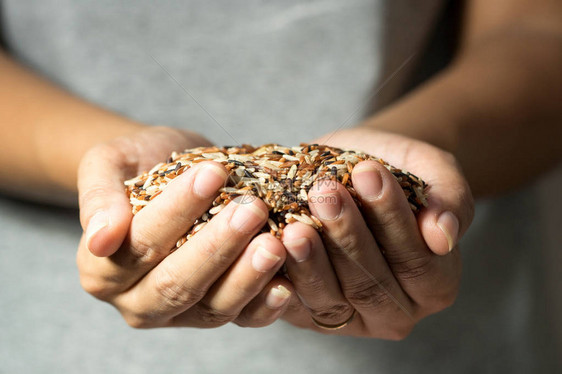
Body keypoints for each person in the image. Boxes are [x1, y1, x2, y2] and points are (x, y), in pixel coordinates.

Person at [0, 0, 560, 372]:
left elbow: (538, 30)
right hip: (61, 337)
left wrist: (415, 150)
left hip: (445, 330)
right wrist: (103, 169)